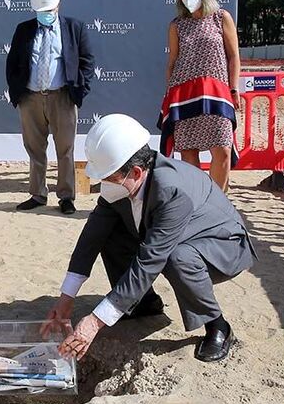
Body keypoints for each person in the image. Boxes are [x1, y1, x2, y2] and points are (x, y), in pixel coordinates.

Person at [44, 114, 256, 363]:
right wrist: (66, 298)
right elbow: (92, 236)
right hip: (179, 238)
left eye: (109, 177)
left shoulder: (172, 191)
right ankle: (143, 305)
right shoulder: (126, 179)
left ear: (135, 171)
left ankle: (217, 325)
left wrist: (95, 322)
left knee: (177, 257)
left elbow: (150, 259)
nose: (105, 184)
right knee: (111, 232)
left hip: (222, 246)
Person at [6, 0, 94, 215]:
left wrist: (79, 91)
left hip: (62, 97)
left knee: (65, 149)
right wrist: (18, 93)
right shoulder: (24, 30)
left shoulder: (74, 28)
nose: (45, 14)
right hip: (30, 98)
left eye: (49, 10)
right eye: (41, 11)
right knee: (35, 148)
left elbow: (87, 61)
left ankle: (66, 197)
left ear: (58, 5)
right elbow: (12, 62)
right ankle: (37, 194)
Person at [161, 0, 241, 191]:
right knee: (188, 153)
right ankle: (198, 202)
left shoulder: (221, 17)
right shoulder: (177, 25)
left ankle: (217, 201)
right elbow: (172, 62)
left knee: (222, 150)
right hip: (184, 95)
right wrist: (170, 94)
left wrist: (234, 88)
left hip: (217, 92)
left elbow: (233, 56)